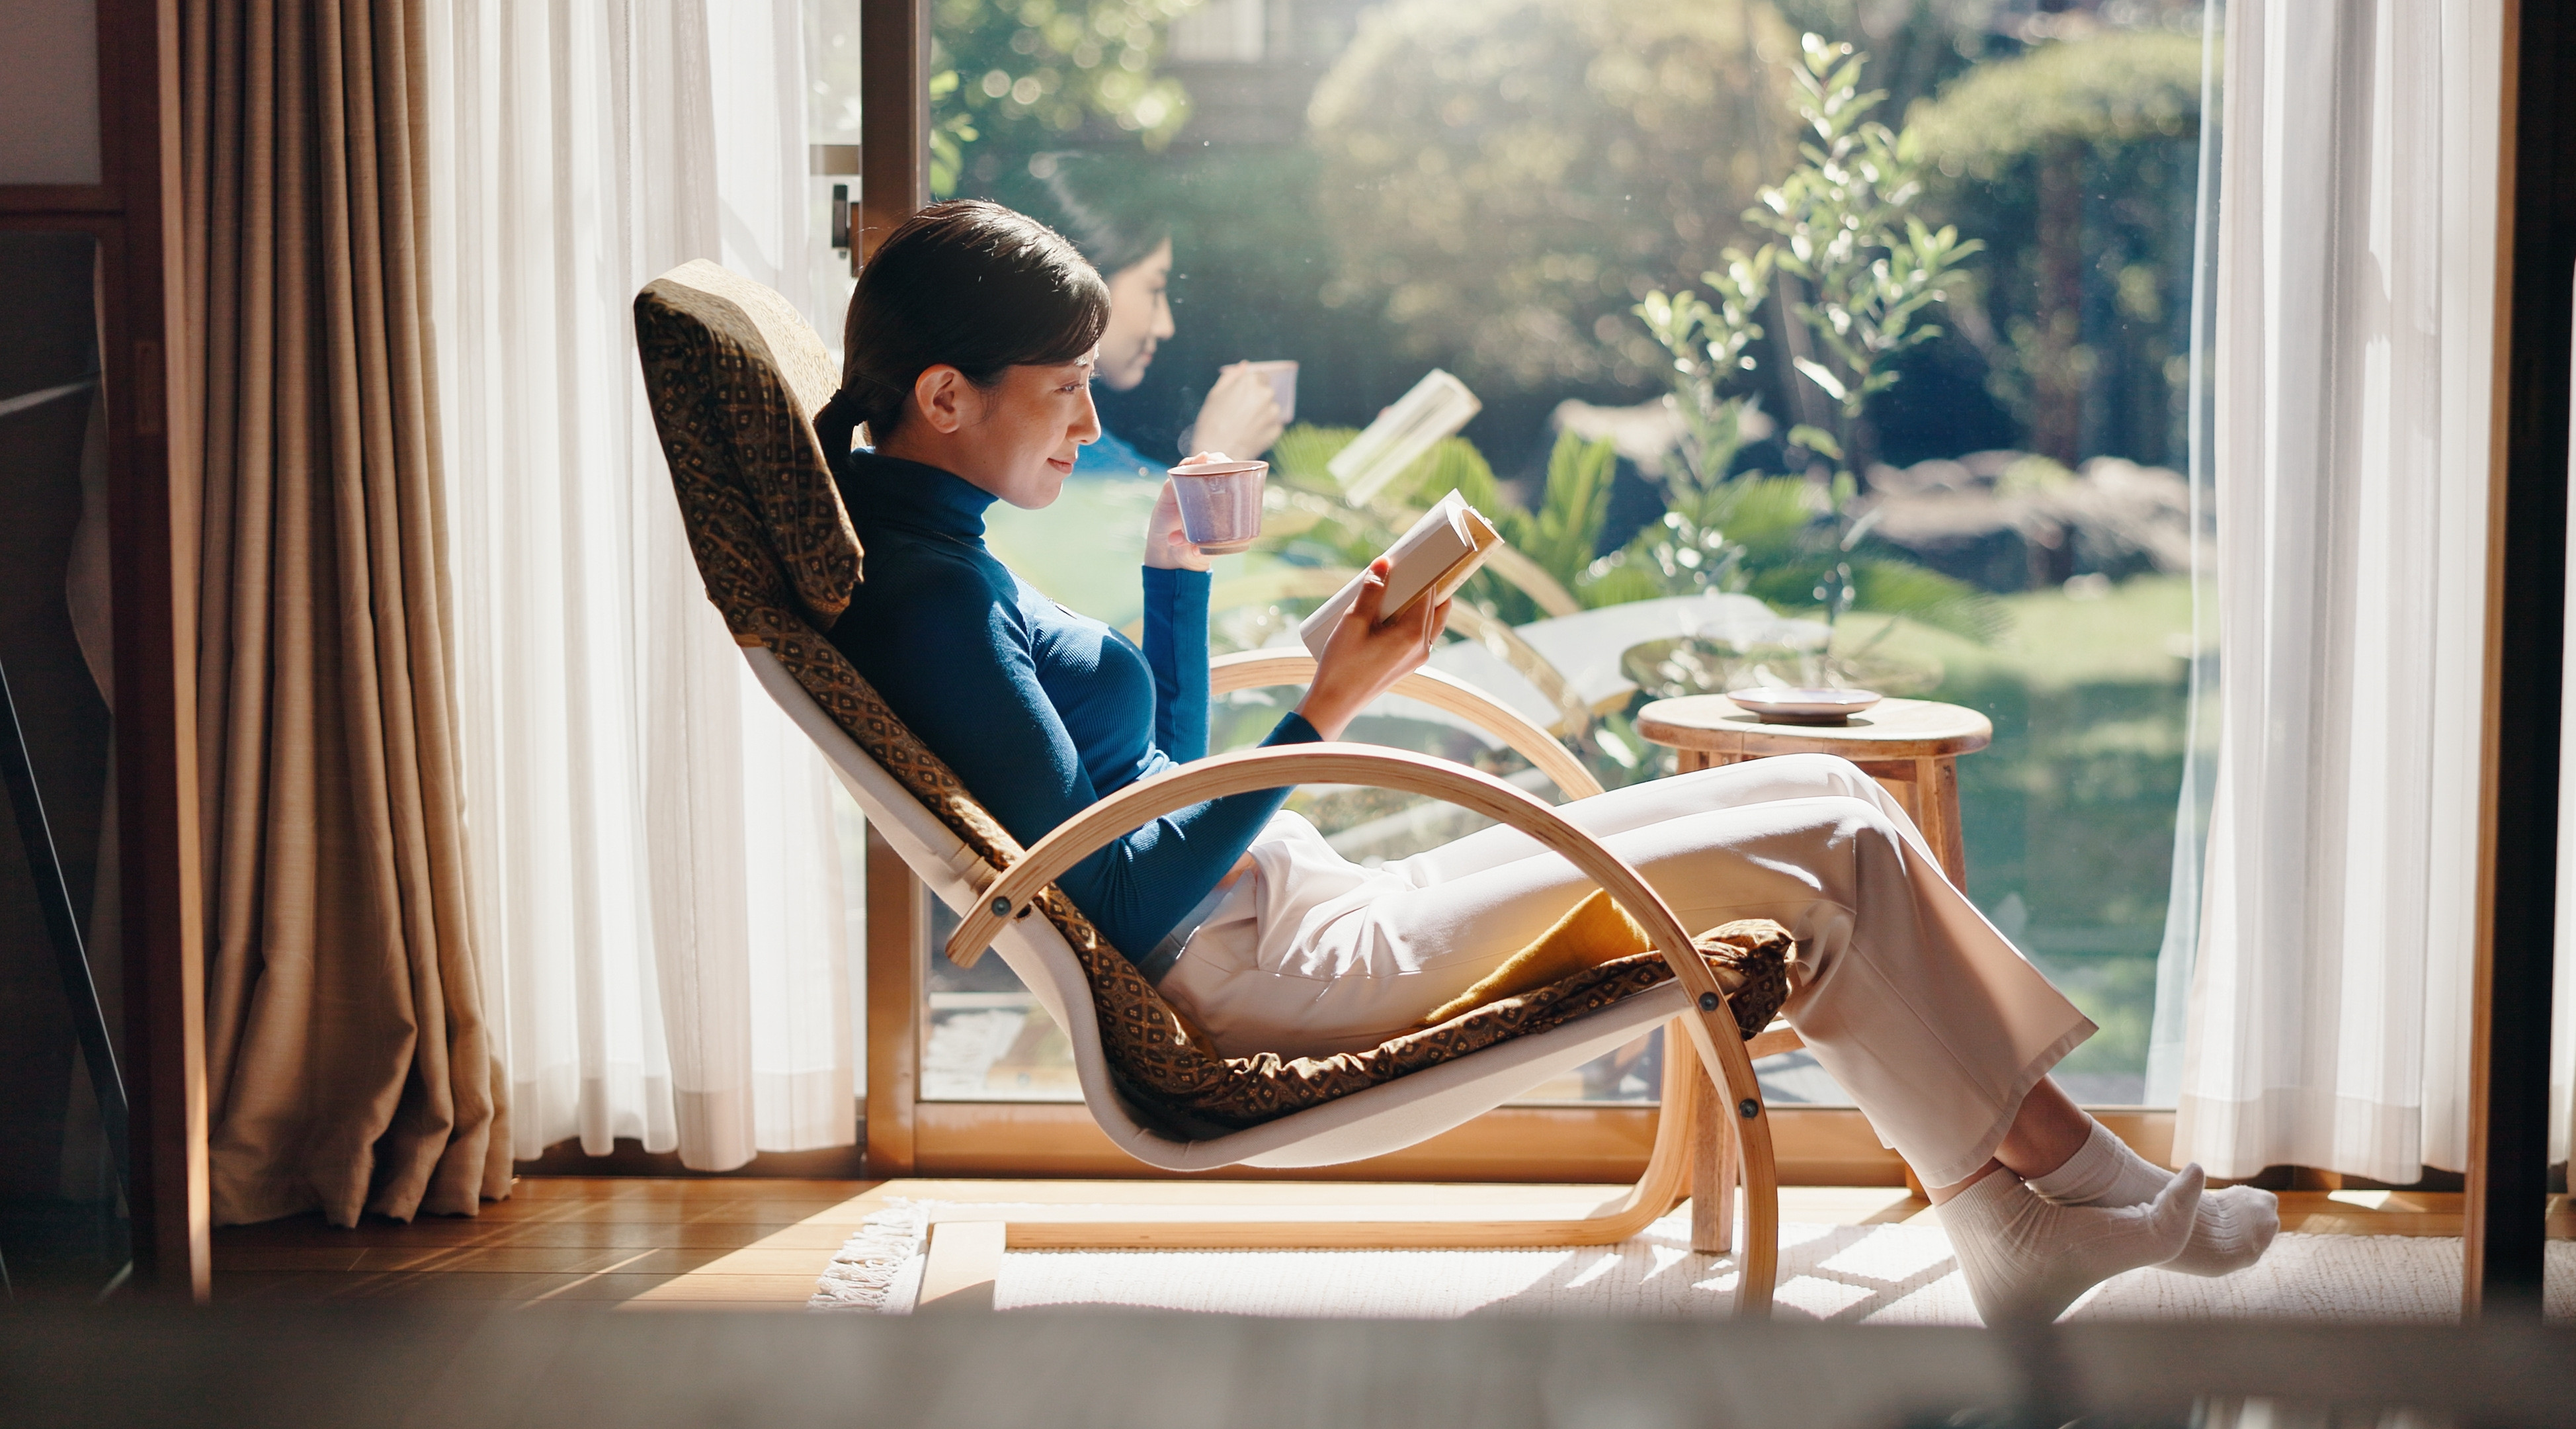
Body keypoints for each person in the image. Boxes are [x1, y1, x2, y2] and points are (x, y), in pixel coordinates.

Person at [815, 200, 2278, 1325]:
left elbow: (1129, 784)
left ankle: (2011, 1211)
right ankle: (2063, 1184)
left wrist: (1176, 569)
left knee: (1835, 799)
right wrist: (1322, 715)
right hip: (1274, 974)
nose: (1087, 413)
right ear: (946, 396)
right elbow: (1123, 900)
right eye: (1060, 384)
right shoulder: (934, 602)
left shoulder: (939, 556)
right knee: (1824, 852)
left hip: (1285, 903)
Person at [1020, 156, 1284, 479]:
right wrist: (1218, 461)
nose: (1166, 327)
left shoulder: (1085, 448)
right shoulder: (1047, 460)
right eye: (1154, 288)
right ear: (1083, 282)